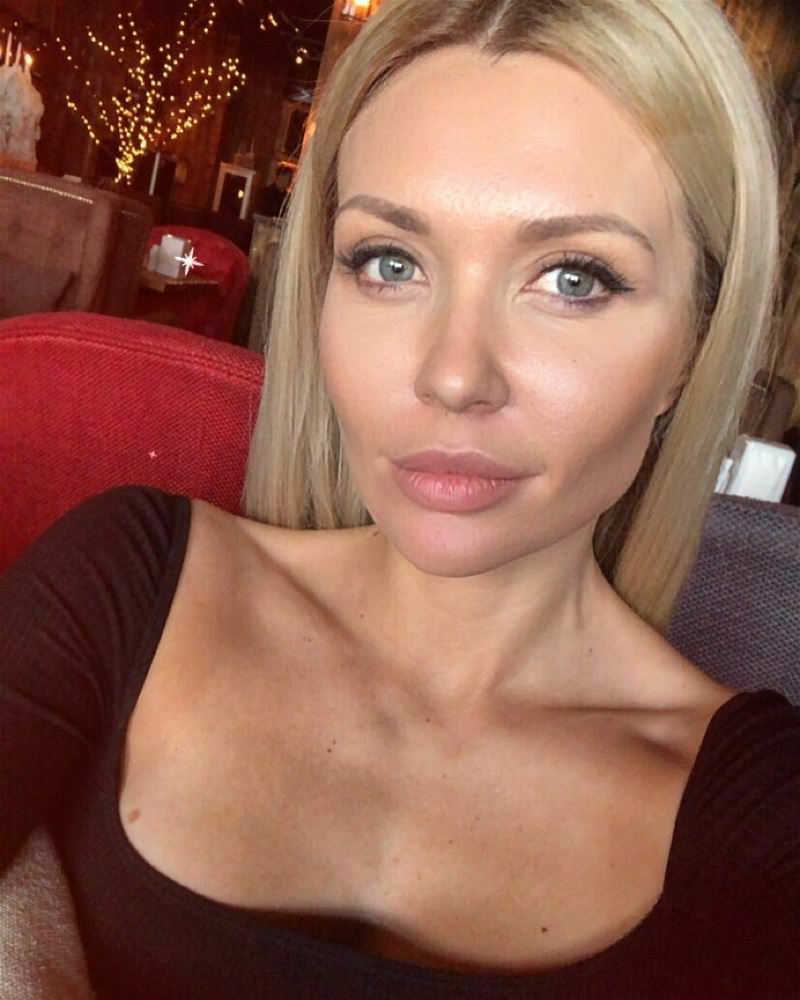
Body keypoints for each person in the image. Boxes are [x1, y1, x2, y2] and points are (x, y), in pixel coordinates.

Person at [1, 1, 798, 997]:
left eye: (573, 278)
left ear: (692, 344)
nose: (453, 376)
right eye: (389, 262)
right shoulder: (124, 583)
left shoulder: (761, 818)